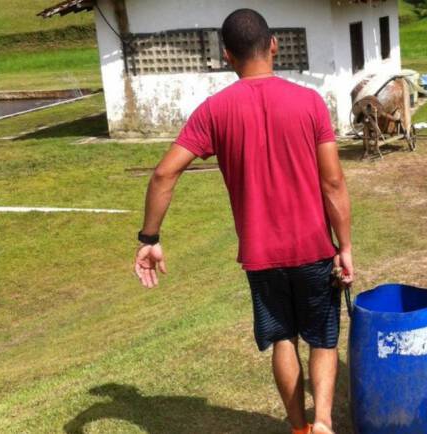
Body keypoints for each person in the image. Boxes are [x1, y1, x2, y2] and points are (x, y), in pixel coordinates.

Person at [133, 9, 353, 434]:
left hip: (260, 254)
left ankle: (299, 428)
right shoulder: (310, 102)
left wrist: (150, 237)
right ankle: (323, 422)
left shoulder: (213, 111)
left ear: (227, 55)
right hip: (313, 247)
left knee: (282, 338)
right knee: (323, 338)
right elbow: (333, 182)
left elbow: (164, 173)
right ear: (273, 45)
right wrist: (344, 245)